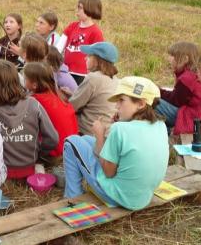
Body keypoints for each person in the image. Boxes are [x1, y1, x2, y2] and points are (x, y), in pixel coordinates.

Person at [63, 76, 169, 210]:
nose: (117, 106)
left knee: (71, 142)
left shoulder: (120, 129)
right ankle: (75, 195)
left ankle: (73, 199)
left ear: (141, 104)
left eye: (121, 100)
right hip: (142, 197)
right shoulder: (160, 125)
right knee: (86, 140)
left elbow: (109, 173)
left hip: (118, 197)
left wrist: (100, 135)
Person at [0, 60, 58, 179]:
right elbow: (53, 138)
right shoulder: (33, 104)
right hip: (29, 167)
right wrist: (38, 153)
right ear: (17, 80)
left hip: (1, 170)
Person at [156, 42, 201, 135]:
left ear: (185, 59)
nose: (169, 59)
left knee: (151, 101)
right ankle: (165, 129)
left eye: (173, 56)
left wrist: (157, 91)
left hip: (191, 119)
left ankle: (162, 131)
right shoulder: (199, 75)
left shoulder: (187, 79)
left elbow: (175, 101)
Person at [24, 62, 78, 158]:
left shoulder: (35, 101)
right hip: (72, 149)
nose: (24, 81)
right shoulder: (58, 95)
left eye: (25, 79)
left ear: (34, 85)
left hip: (55, 154)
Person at [66, 42, 120, 136]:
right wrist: (73, 94)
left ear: (97, 60)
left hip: (87, 132)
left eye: (89, 56)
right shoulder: (117, 80)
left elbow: (72, 106)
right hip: (106, 133)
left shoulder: (93, 78)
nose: (85, 58)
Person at [57, 0, 104, 85]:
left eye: (80, 7)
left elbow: (98, 57)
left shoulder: (95, 32)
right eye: (77, 7)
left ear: (89, 9)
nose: (77, 10)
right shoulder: (72, 26)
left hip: (82, 75)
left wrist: (92, 75)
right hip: (65, 70)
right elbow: (59, 47)